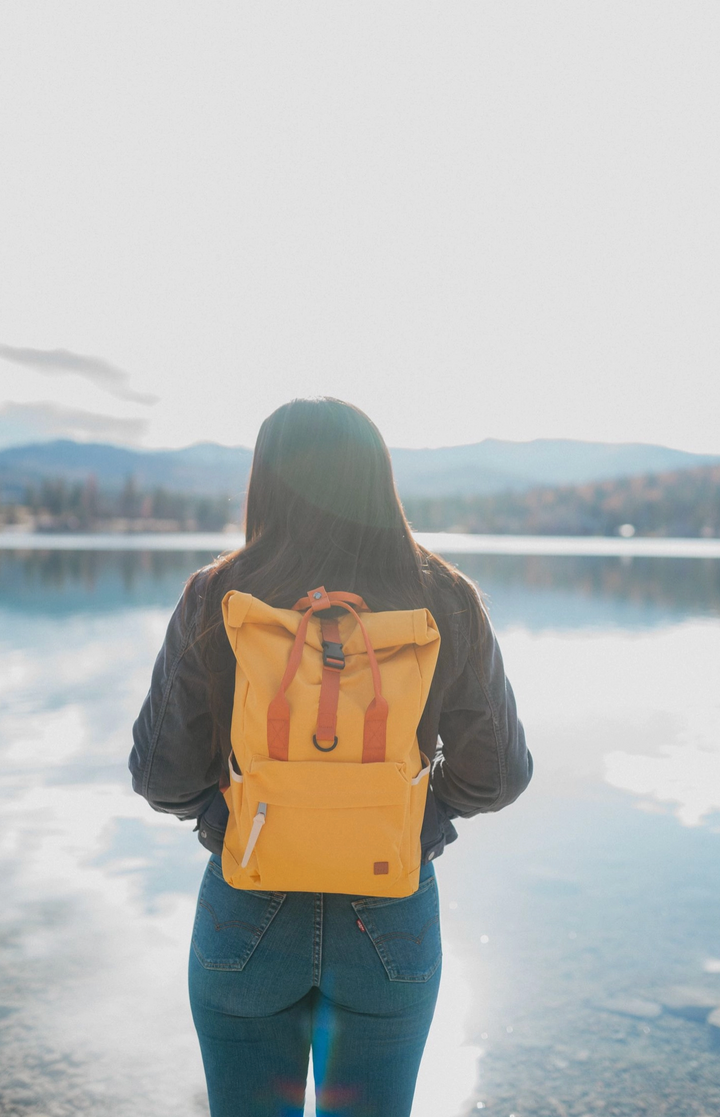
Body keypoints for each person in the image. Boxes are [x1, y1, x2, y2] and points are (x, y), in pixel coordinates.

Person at [129, 397, 532, 1117]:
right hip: (391, 913)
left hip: (245, 904)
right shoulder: (446, 597)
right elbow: (497, 774)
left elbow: (161, 773)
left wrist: (235, 818)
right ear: (379, 478)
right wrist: (409, 814)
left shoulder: (217, 594)